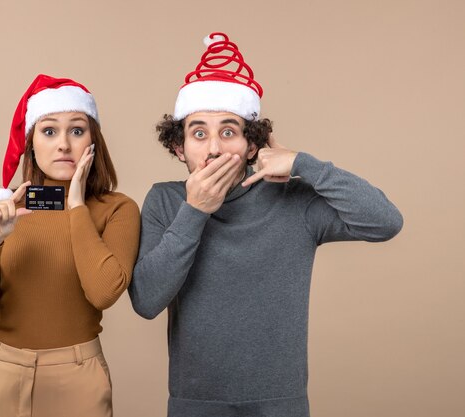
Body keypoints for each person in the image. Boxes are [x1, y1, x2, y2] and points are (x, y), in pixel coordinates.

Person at [128, 32, 403, 417]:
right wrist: (194, 211)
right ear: (179, 147)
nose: (213, 150)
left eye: (228, 132)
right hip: (195, 403)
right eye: (198, 133)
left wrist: (304, 165)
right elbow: (146, 300)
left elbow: (386, 222)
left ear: (252, 146)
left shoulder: (292, 199)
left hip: (281, 403)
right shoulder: (165, 200)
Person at [0, 74, 140, 417]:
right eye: (49, 130)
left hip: (78, 377)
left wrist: (77, 205)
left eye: (77, 130)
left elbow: (103, 293)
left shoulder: (118, 209)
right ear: (31, 142)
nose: (64, 145)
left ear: (93, 140)